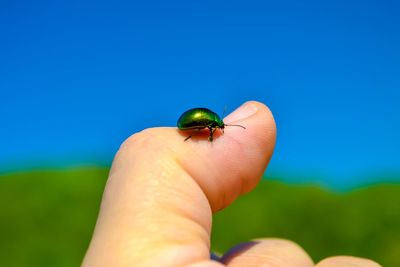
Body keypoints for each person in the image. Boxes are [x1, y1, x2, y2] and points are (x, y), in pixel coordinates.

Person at [82, 101, 381, 267]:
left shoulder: (213, 123)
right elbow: (193, 125)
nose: (218, 130)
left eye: (216, 128)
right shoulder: (204, 128)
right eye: (218, 128)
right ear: (215, 125)